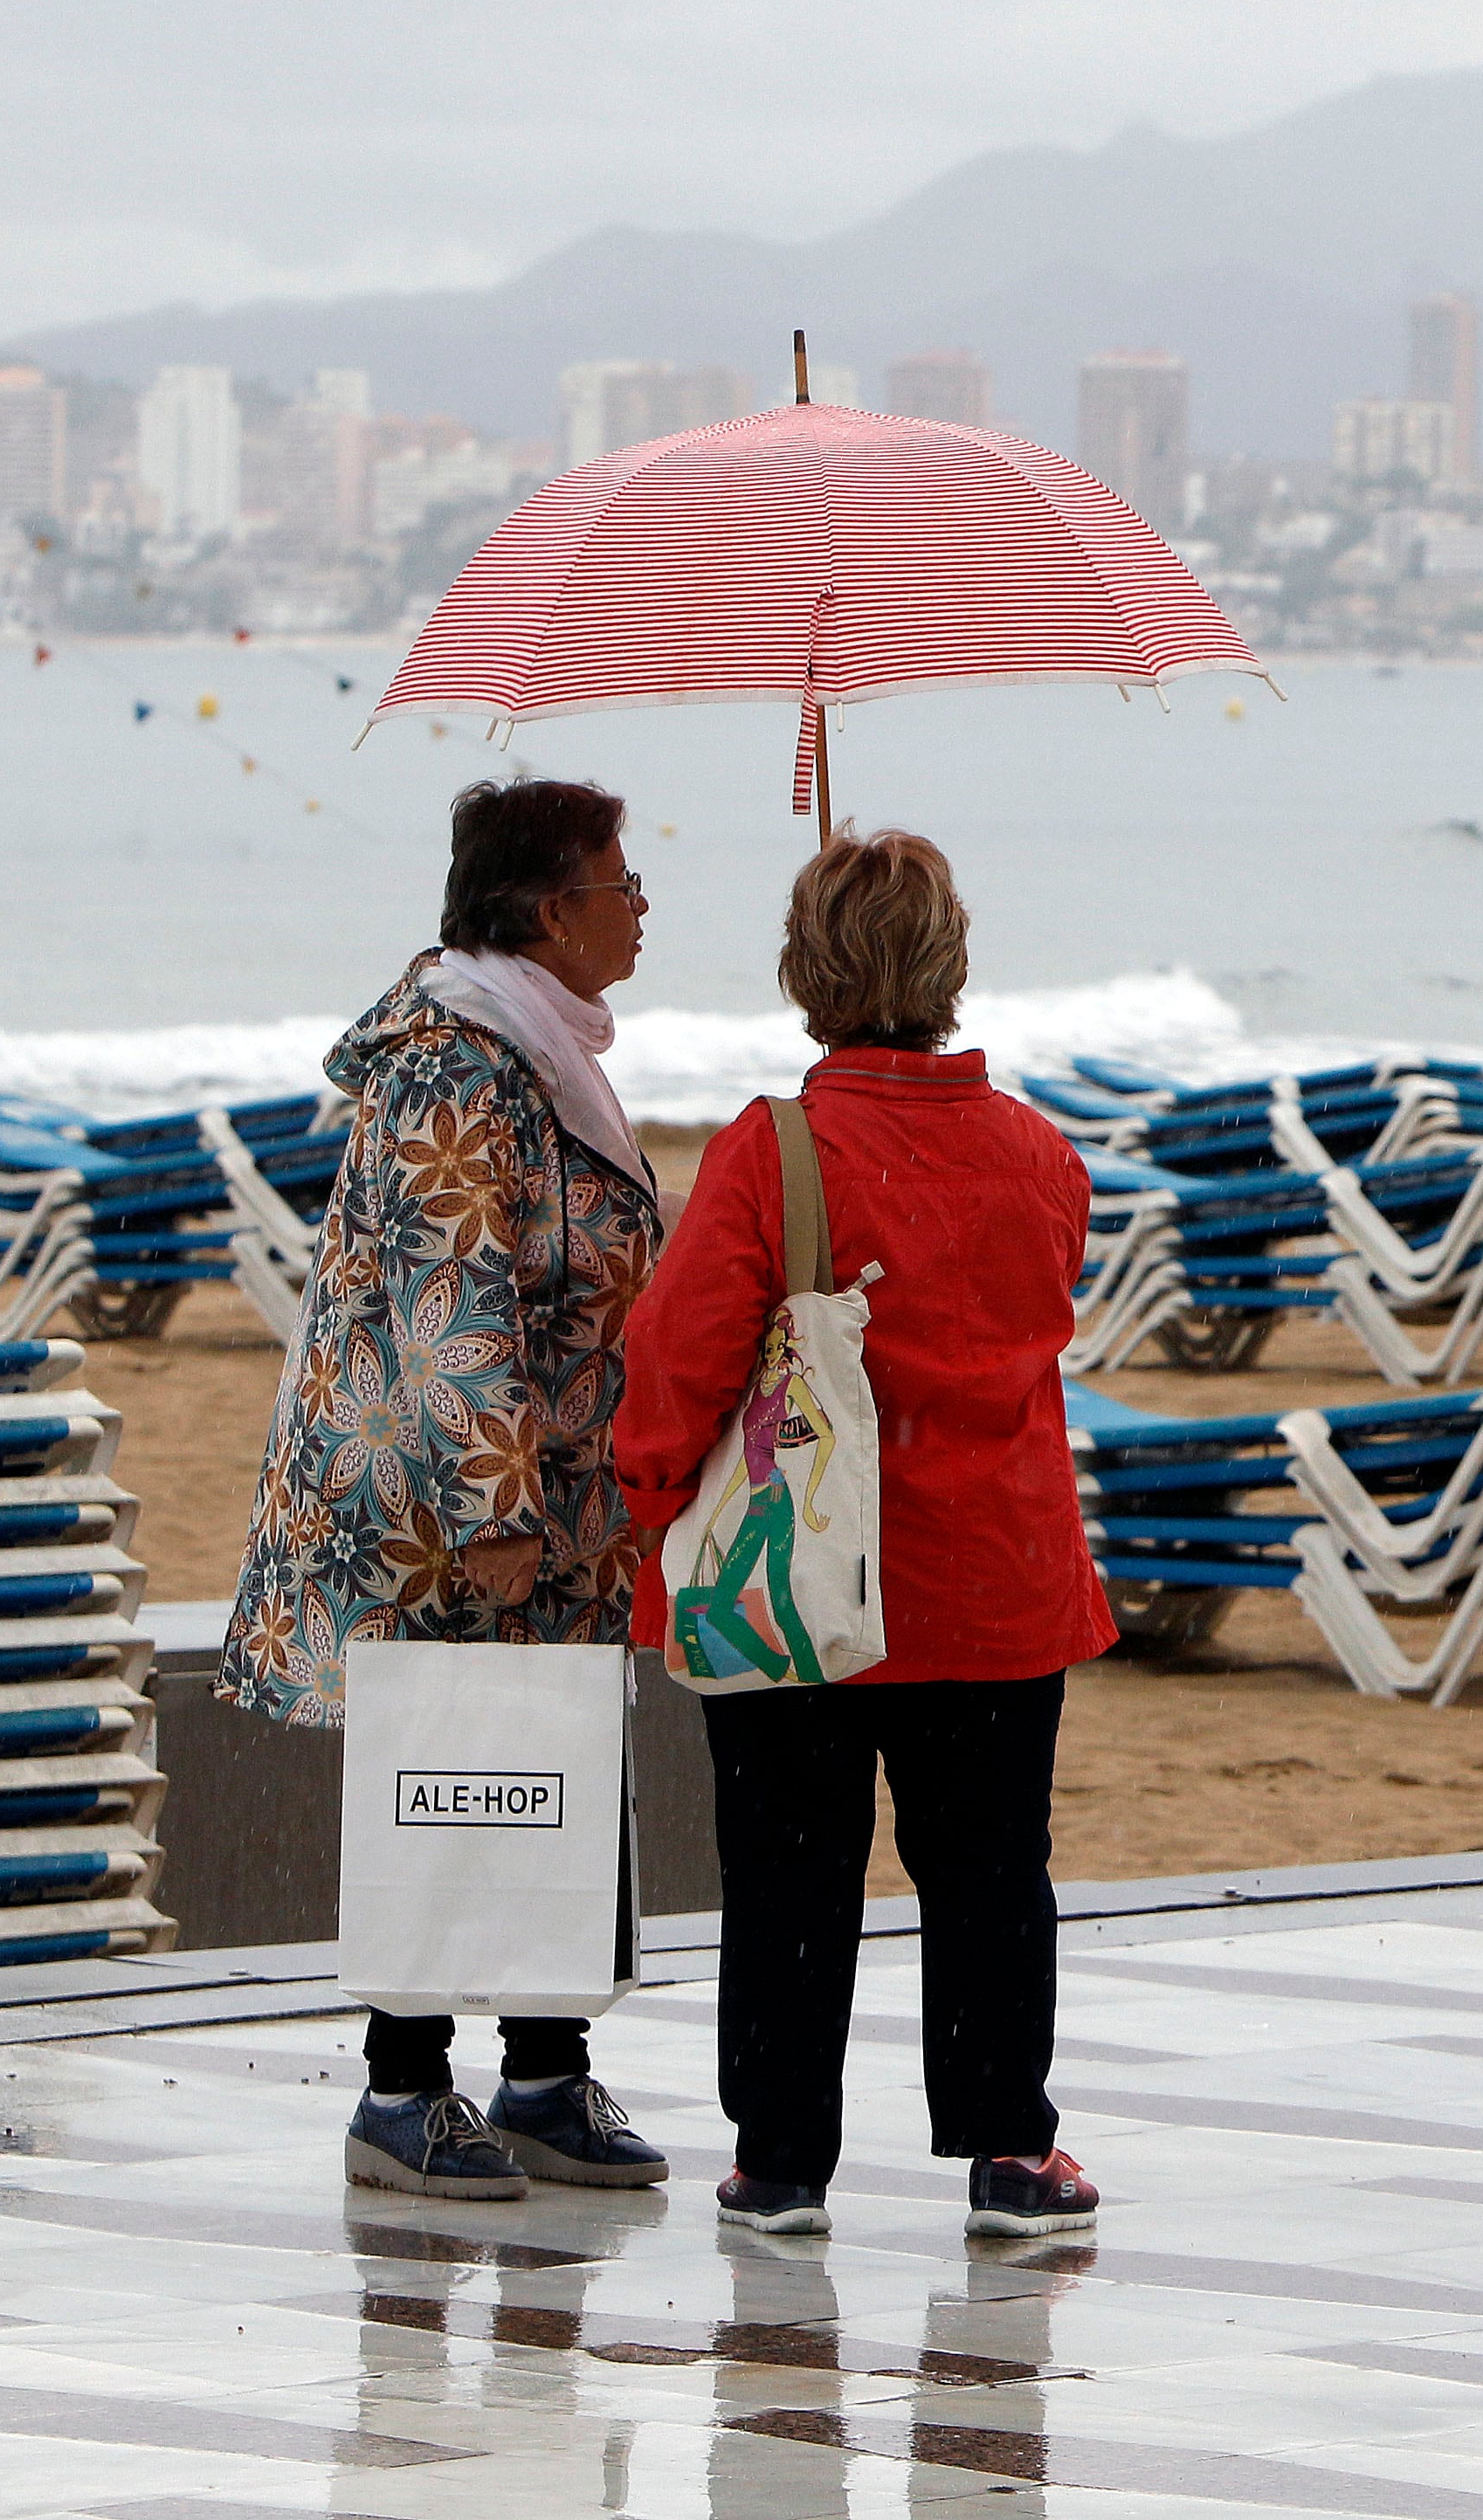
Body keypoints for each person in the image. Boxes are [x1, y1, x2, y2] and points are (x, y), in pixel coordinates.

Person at [617, 828, 1114, 2239]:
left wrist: (655, 1503)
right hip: (996, 1577)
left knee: (787, 1873)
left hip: (800, 1580)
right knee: (990, 1871)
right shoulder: (1035, 1152)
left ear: (805, 971)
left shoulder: (772, 1154)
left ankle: (780, 2159)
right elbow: (1037, 1306)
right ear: (950, 965)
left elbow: (683, 1356)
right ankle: (1009, 2147)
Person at [225, 776, 672, 2201]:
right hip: (453, 1507)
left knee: (542, 1773)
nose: (640, 906)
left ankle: (542, 2071)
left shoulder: (535, 1043)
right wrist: (492, 1509)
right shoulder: (459, 1059)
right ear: (550, 909)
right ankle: (403, 2085)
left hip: (552, 1496)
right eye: (620, 882)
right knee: (451, 1774)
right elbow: (446, 1293)